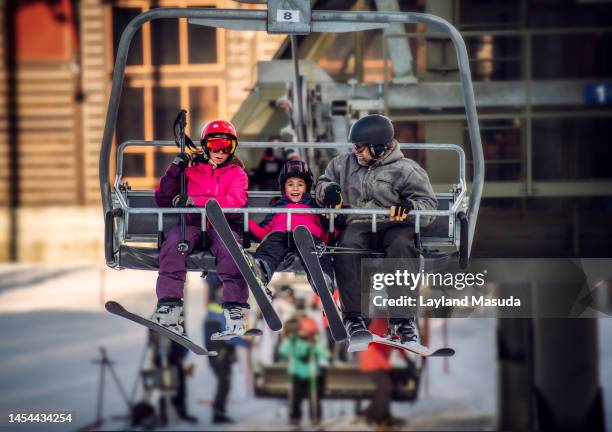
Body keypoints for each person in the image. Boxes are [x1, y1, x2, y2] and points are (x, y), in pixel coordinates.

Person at [314, 114, 437, 343]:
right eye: (354, 147)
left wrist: (409, 208)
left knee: (403, 246)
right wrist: (329, 190)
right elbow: (322, 183)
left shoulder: (406, 169)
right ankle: (354, 317)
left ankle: (402, 321)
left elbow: (428, 206)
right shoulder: (342, 164)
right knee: (347, 248)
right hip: (358, 222)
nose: (355, 152)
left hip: (393, 224)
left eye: (360, 148)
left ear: (378, 148)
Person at [152, 119, 250, 339]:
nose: (221, 151)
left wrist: (195, 201)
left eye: (227, 146)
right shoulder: (190, 171)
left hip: (221, 225)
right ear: (206, 146)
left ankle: (234, 308)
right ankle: (169, 305)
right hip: (192, 223)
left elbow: (236, 202)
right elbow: (163, 198)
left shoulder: (237, 173)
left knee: (231, 250)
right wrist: (175, 168)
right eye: (216, 145)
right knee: (174, 244)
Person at [247, 160, 345, 291]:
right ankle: (262, 268)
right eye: (290, 184)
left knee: (318, 250)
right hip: (282, 235)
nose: (295, 188)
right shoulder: (278, 207)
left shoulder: (314, 206)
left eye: (300, 184)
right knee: (272, 242)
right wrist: (245, 224)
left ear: (307, 187)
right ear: (284, 188)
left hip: (308, 237)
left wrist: (337, 221)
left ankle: (322, 277)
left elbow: (327, 232)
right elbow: (265, 231)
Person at [202, 273, 250, 424]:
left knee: (224, 382)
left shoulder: (215, 310)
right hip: (220, 352)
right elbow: (229, 336)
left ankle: (219, 411)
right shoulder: (218, 312)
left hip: (218, 352)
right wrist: (247, 344)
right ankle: (218, 413)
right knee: (224, 382)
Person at [279, 315, 329, 426]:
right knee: (296, 397)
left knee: (314, 397)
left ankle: (316, 417)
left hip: (312, 374)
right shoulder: (294, 342)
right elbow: (284, 351)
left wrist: (315, 346)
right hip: (297, 374)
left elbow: (326, 353)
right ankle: (295, 417)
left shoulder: (313, 343)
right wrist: (290, 340)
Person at [358, 318, 405, 427]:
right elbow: (380, 337)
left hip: (377, 364)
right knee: (386, 388)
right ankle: (374, 415)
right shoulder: (381, 321)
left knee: (387, 387)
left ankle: (383, 416)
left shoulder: (384, 321)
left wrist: (401, 350)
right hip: (373, 364)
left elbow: (390, 339)